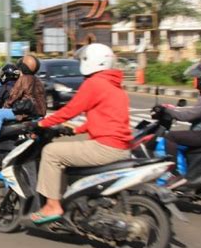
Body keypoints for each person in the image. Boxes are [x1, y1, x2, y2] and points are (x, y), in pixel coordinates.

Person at [28, 43, 132, 224]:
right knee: (67, 152)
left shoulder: (94, 83)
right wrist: (75, 130)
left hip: (104, 148)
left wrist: (42, 123)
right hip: (121, 148)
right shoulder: (115, 86)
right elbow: (104, 119)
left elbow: (70, 110)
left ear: (91, 62)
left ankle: (53, 205)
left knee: (51, 152)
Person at [158, 62, 201, 187]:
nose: (195, 81)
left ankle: (173, 174)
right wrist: (174, 110)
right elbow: (198, 115)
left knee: (171, 137)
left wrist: (167, 110)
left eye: (198, 78)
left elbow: (188, 116)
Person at [0, 55, 47, 148]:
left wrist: (5, 107)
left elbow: (13, 96)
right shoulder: (38, 81)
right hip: (38, 114)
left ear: (22, 67)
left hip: (25, 113)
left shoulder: (23, 79)